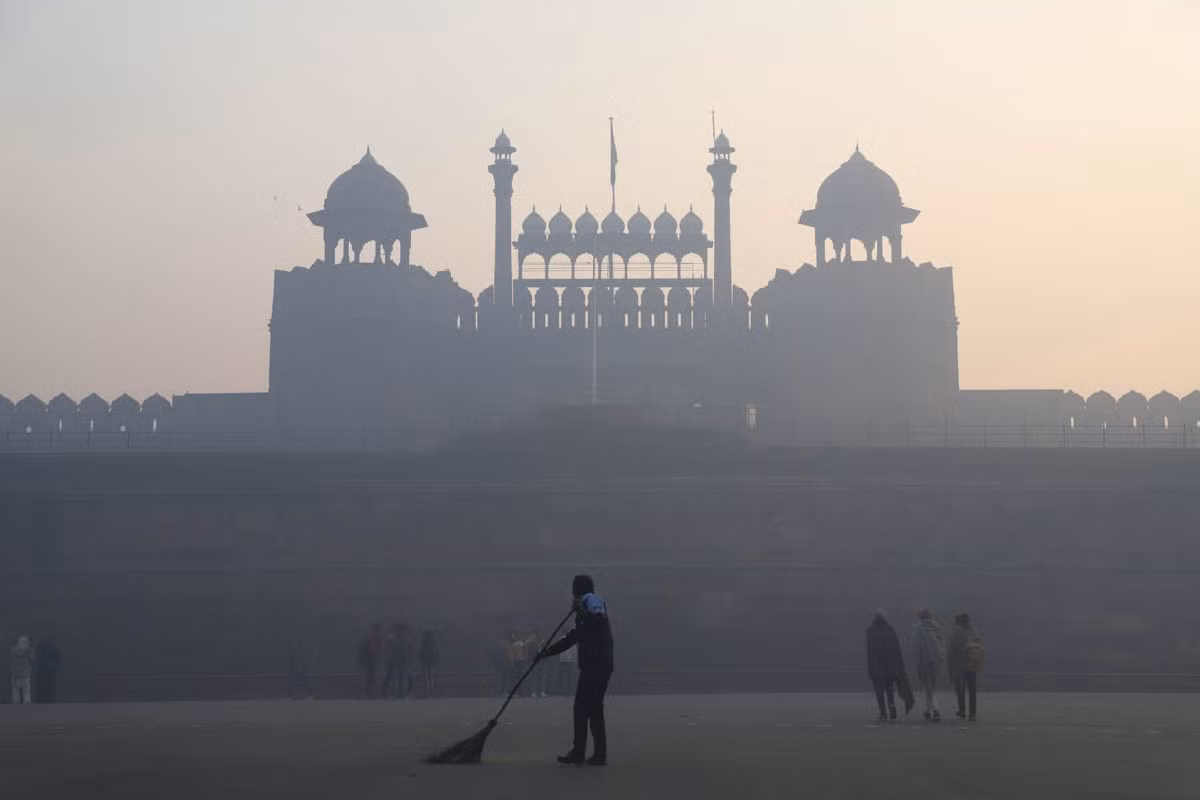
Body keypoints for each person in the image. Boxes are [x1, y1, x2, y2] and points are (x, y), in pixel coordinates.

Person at [539, 574, 615, 766]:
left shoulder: (591, 599)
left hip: (596, 666)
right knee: (593, 709)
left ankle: (581, 752)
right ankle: (597, 754)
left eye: (573, 593)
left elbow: (598, 618)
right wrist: (547, 652)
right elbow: (572, 638)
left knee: (583, 708)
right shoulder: (582, 613)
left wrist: (582, 610)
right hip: (597, 665)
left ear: (577, 592)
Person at [866, 610, 914, 721]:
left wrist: (871, 668)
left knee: (879, 691)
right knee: (889, 689)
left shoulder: (870, 631)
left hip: (877, 667)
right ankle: (892, 707)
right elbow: (896, 651)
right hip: (889, 668)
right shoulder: (890, 630)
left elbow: (870, 652)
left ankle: (883, 713)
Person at [948, 612, 984, 721]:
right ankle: (972, 713)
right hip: (972, 664)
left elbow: (952, 649)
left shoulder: (956, 631)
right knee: (972, 689)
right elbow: (979, 645)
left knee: (960, 688)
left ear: (957, 621)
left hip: (959, 665)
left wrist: (950, 663)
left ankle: (962, 711)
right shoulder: (974, 631)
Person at [910, 609, 945, 722]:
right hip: (936, 661)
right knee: (931, 687)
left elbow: (914, 646)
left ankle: (934, 711)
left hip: (923, 660)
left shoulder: (916, 629)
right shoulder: (937, 628)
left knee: (928, 687)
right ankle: (928, 710)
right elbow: (941, 644)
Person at [381, 623, 410, 699]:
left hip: (400, 661)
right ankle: (397, 692)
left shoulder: (400, 639)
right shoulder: (395, 639)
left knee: (400, 677)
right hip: (396, 661)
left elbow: (406, 651)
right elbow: (391, 651)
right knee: (396, 677)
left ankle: (399, 692)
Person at [357, 622, 383, 698]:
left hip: (373, 658)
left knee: (371, 673)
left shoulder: (377, 637)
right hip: (368, 658)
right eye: (377, 629)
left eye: (378, 630)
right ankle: (367, 689)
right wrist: (361, 659)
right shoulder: (367, 637)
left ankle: (369, 689)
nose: (378, 631)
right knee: (368, 674)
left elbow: (378, 647)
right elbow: (362, 649)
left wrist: (377, 655)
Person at [34, 638, 63, 704]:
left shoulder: (42, 648)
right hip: (49, 670)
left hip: (44, 670)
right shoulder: (53, 647)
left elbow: (58, 659)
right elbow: (58, 659)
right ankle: (49, 699)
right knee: (50, 686)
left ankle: (44, 699)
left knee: (45, 686)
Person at [10, 635, 34, 705]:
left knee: (26, 688)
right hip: (17, 673)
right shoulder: (15, 650)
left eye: (26, 642)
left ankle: (26, 701)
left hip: (24, 672)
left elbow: (32, 659)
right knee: (16, 688)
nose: (25, 644)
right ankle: (16, 701)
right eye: (23, 642)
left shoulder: (28, 650)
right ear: (18, 642)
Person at [418, 627, 440, 697]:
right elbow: (437, 651)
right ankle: (431, 691)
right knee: (431, 676)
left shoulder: (424, 640)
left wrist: (420, 659)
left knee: (426, 677)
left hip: (425, 661)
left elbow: (421, 651)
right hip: (432, 661)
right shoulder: (434, 640)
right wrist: (436, 659)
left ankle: (427, 691)